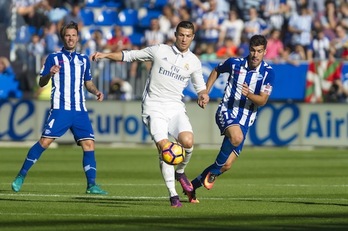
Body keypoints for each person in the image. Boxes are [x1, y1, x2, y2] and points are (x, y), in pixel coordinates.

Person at [91, 21, 209, 207]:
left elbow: (200, 86)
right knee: (165, 148)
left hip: (175, 107)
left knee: (187, 142)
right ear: (175, 34)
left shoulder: (194, 61)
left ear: (193, 37)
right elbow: (130, 55)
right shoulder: (159, 50)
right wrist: (105, 54)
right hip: (153, 107)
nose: (184, 39)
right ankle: (173, 195)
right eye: (181, 35)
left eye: (188, 36)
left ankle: (180, 172)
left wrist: (203, 95)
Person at [11, 21, 107, 195]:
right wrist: (49, 73)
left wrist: (96, 91)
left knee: (89, 144)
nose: (70, 39)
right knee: (45, 142)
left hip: (79, 110)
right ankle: (21, 176)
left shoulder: (83, 60)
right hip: (61, 108)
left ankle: (91, 185)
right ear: (63, 38)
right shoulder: (53, 58)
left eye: (73, 35)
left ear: (77, 37)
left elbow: (88, 83)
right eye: (67, 36)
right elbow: (41, 81)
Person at [188, 34, 275, 202]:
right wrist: (205, 91)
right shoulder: (234, 63)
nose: (255, 55)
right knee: (236, 137)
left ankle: (191, 187)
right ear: (248, 49)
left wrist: (249, 94)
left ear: (264, 52)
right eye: (252, 50)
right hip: (226, 111)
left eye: (259, 51)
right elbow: (216, 70)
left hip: (245, 121)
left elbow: (263, 100)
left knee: (226, 165)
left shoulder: (268, 73)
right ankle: (213, 173)